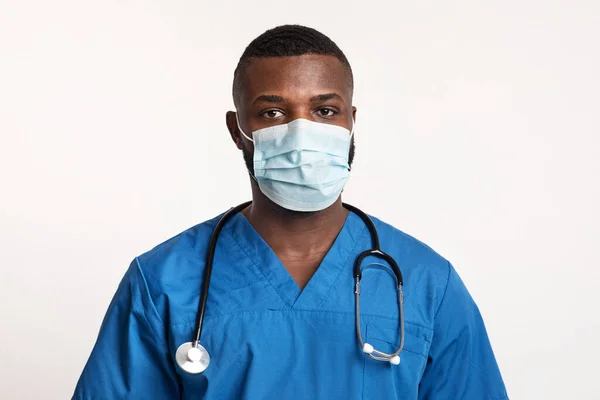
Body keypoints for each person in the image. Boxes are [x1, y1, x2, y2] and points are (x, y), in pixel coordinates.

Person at [73, 25, 508, 399]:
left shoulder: (426, 282)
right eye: (273, 112)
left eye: (324, 110)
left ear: (351, 121)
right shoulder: (163, 282)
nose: (302, 131)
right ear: (237, 129)